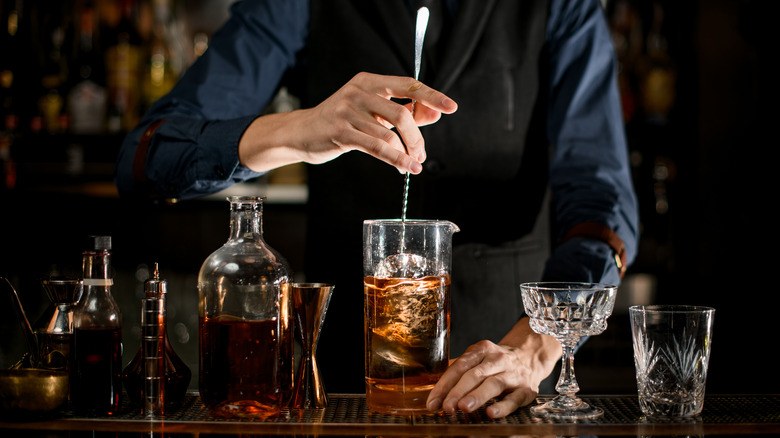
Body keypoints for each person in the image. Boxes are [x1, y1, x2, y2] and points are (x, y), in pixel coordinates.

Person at [115, 0, 638, 419]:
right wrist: (299, 131)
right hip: (343, 397)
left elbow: (601, 208)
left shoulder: (563, 7)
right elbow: (149, 157)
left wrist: (534, 349)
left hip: (511, 393)